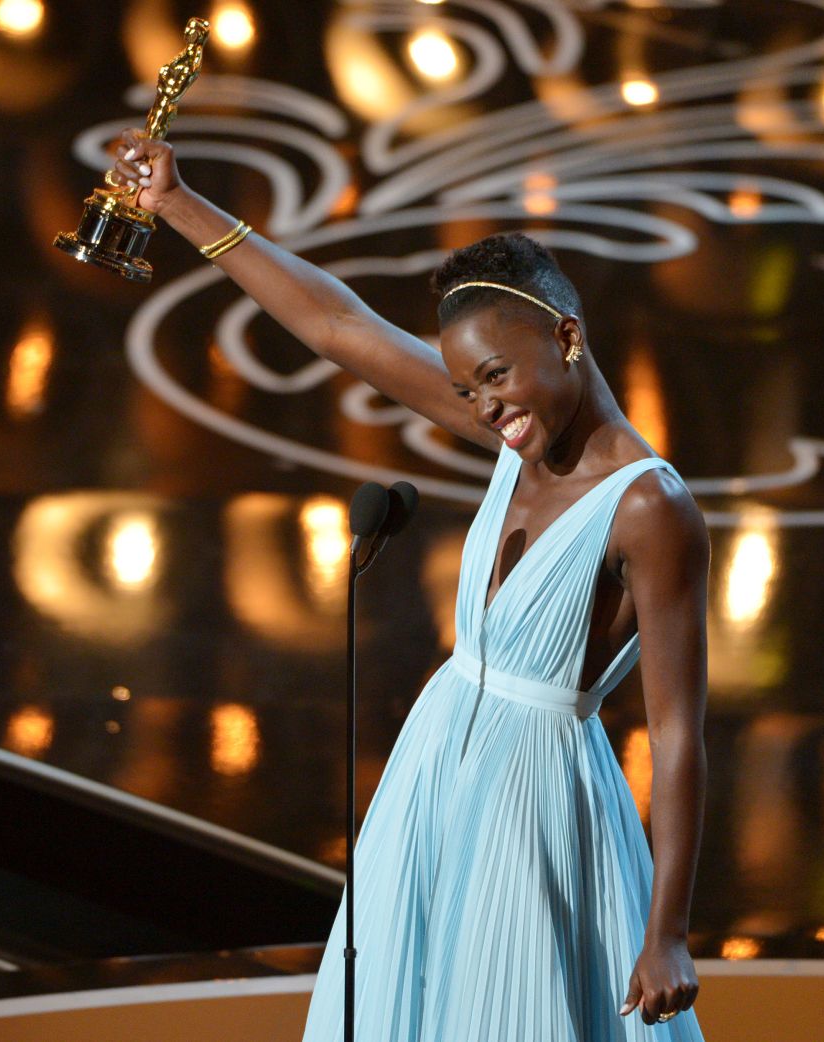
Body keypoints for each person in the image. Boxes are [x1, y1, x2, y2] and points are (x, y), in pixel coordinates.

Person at [110, 129, 708, 1041]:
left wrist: (666, 932)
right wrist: (179, 203)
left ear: (568, 337)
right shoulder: (522, 436)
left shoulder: (649, 508)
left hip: (535, 803)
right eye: (468, 390)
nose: (484, 409)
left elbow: (677, 735)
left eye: (497, 377)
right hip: (433, 772)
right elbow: (338, 326)